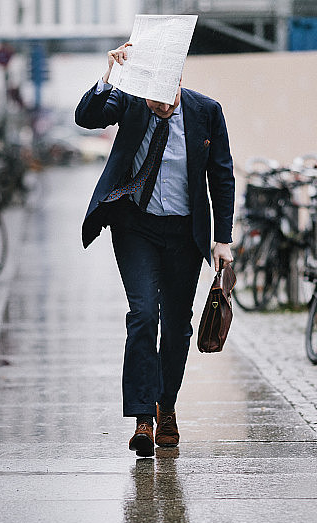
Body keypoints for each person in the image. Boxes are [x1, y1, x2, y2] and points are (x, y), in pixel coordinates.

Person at [74, 42, 235, 457]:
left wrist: (223, 239)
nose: (158, 107)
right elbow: (87, 116)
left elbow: (222, 177)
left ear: (179, 83)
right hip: (136, 227)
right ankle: (143, 417)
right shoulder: (129, 102)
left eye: (166, 101)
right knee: (144, 313)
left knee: (178, 325)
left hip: (185, 232)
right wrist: (108, 73)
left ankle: (168, 407)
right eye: (152, 100)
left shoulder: (206, 112)